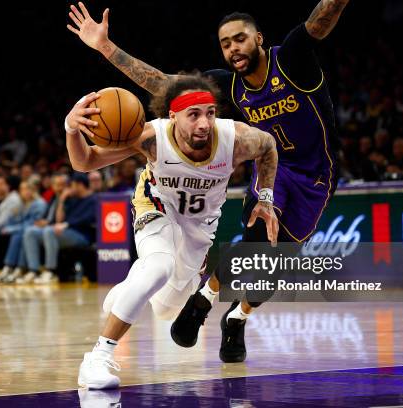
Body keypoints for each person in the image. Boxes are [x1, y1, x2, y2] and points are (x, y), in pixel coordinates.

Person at [68, 0, 347, 363]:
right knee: (256, 244)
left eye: (240, 39)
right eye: (226, 43)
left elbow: (321, 17)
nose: (233, 48)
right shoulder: (229, 86)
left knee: (270, 272)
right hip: (271, 170)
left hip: (316, 176)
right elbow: (165, 84)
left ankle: (237, 316)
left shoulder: (292, 59)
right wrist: (105, 46)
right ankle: (205, 299)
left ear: (259, 39)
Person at [66, 74, 279, 389]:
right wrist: (71, 128)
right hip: (155, 209)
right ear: (173, 117)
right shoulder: (152, 137)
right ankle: (98, 356)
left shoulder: (237, 139)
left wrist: (266, 198)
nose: (204, 123)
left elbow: (269, 148)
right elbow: (84, 161)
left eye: (209, 112)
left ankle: (128, 289)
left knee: (167, 310)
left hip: (198, 229)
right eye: (193, 115)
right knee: (158, 266)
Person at [21, 172, 96, 285]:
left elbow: (86, 220)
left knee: (49, 231)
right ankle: (34, 270)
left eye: (72, 185)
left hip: (82, 235)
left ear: (80, 185)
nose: (70, 188)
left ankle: (51, 271)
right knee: (30, 232)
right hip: (66, 232)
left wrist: (66, 225)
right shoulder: (73, 199)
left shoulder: (93, 199)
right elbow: (59, 220)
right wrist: (62, 200)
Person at [0, 181, 47, 280]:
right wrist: (10, 228)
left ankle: (18, 268)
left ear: (34, 191)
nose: (25, 192)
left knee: (21, 235)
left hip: (37, 230)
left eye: (28, 189)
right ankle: (9, 267)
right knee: (17, 235)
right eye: (22, 189)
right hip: (23, 230)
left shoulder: (39, 203)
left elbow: (33, 223)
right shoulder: (20, 204)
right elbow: (11, 221)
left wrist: (12, 229)